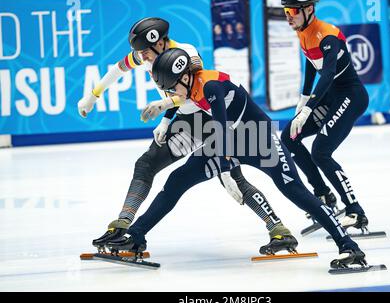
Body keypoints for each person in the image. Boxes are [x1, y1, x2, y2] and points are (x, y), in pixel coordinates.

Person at [107, 48, 367, 268]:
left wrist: (224, 169)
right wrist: (166, 111)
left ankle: (349, 246)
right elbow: (211, 124)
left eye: (174, 87)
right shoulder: (189, 85)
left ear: (185, 77)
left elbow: (219, 128)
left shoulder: (210, 85)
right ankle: (136, 234)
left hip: (259, 139)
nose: (174, 93)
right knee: (178, 180)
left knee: (295, 191)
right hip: (232, 139)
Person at [77, 17, 296, 253]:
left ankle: (278, 229)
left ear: (159, 44)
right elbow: (118, 69)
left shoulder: (186, 53)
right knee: (146, 164)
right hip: (186, 122)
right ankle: (123, 225)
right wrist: (93, 96)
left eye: (144, 53)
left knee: (231, 177)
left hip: (209, 119)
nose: (142, 58)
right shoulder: (146, 54)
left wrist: (164, 106)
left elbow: (193, 92)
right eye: (139, 53)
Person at [280, 0, 370, 230]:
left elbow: (328, 74)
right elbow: (311, 64)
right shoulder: (302, 32)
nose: (288, 17)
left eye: (293, 11)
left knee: (321, 152)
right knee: (289, 137)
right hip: (330, 95)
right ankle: (322, 194)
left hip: (350, 95)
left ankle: (355, 210)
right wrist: (302, 99)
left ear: (309, 9)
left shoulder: (328, 35)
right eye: (286, 11)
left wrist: (309, 108)